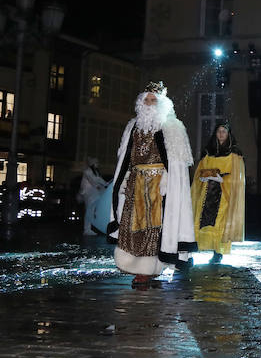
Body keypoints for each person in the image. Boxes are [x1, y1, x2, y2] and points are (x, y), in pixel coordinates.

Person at [108, 82, 196, 288]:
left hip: (157, 186)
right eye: (145, 100)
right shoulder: (132, 126)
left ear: (161, 103)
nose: (148, 103)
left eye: (153, 100)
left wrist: (166, 181)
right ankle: (134, 265)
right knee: (131, 227)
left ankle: (147, 270)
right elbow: (126, 158)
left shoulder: (173, 127)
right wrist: (126, 178)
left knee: (153, 228)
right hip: (135, 183)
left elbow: (176, 164)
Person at [190, 124, 245, 264]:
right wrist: (202, 178)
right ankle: (204, 246)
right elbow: (200, 171)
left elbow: (236, 176)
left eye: (224, 132)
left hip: (223, 194)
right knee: (204, 221)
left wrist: (222, 180)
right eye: (219, 131)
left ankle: (218, 251)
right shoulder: (209, 153)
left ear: (228, 134)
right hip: (207, 192)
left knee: (220, 223)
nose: (221, 134)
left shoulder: (234, 155)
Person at [77, 157, 109, 235]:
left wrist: (106, 184)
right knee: (89, 210)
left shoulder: (95, 172)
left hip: (94, 193)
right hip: (88, 193)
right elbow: (94, 180)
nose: (98, 164)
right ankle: (87, 229)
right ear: (92, 164)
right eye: (96, 163)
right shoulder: (87, 171)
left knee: (92, 210)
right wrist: (103, 185)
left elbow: (99, 180)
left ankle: (89, 228)